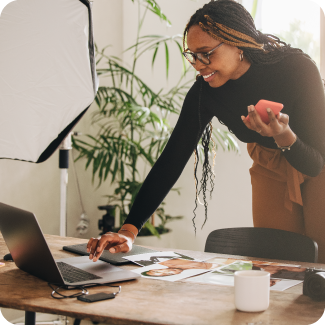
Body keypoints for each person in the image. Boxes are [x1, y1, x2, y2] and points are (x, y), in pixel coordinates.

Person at [87, 0, 325, 263]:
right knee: (276, 266)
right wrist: (129, 230)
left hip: (317, 158)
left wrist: (283, 135)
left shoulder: (296, 69)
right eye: (192, 55)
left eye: (206, 53)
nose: (198, 65)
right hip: (269, 163)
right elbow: (172, 158)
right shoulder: (205, 92)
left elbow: (314, 164)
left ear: (237, 42)